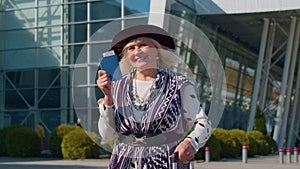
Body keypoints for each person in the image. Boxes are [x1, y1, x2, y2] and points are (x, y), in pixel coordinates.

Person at [97, 24, 211, 169]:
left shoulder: (179, 84)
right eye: (131, 48)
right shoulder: (117, 86)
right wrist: (108, 98)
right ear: (127, 56)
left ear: (157, 50)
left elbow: (203, 122)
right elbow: (106, 135)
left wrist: (191, 143)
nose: (137, 51)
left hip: (166, 162)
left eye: (142, 45)